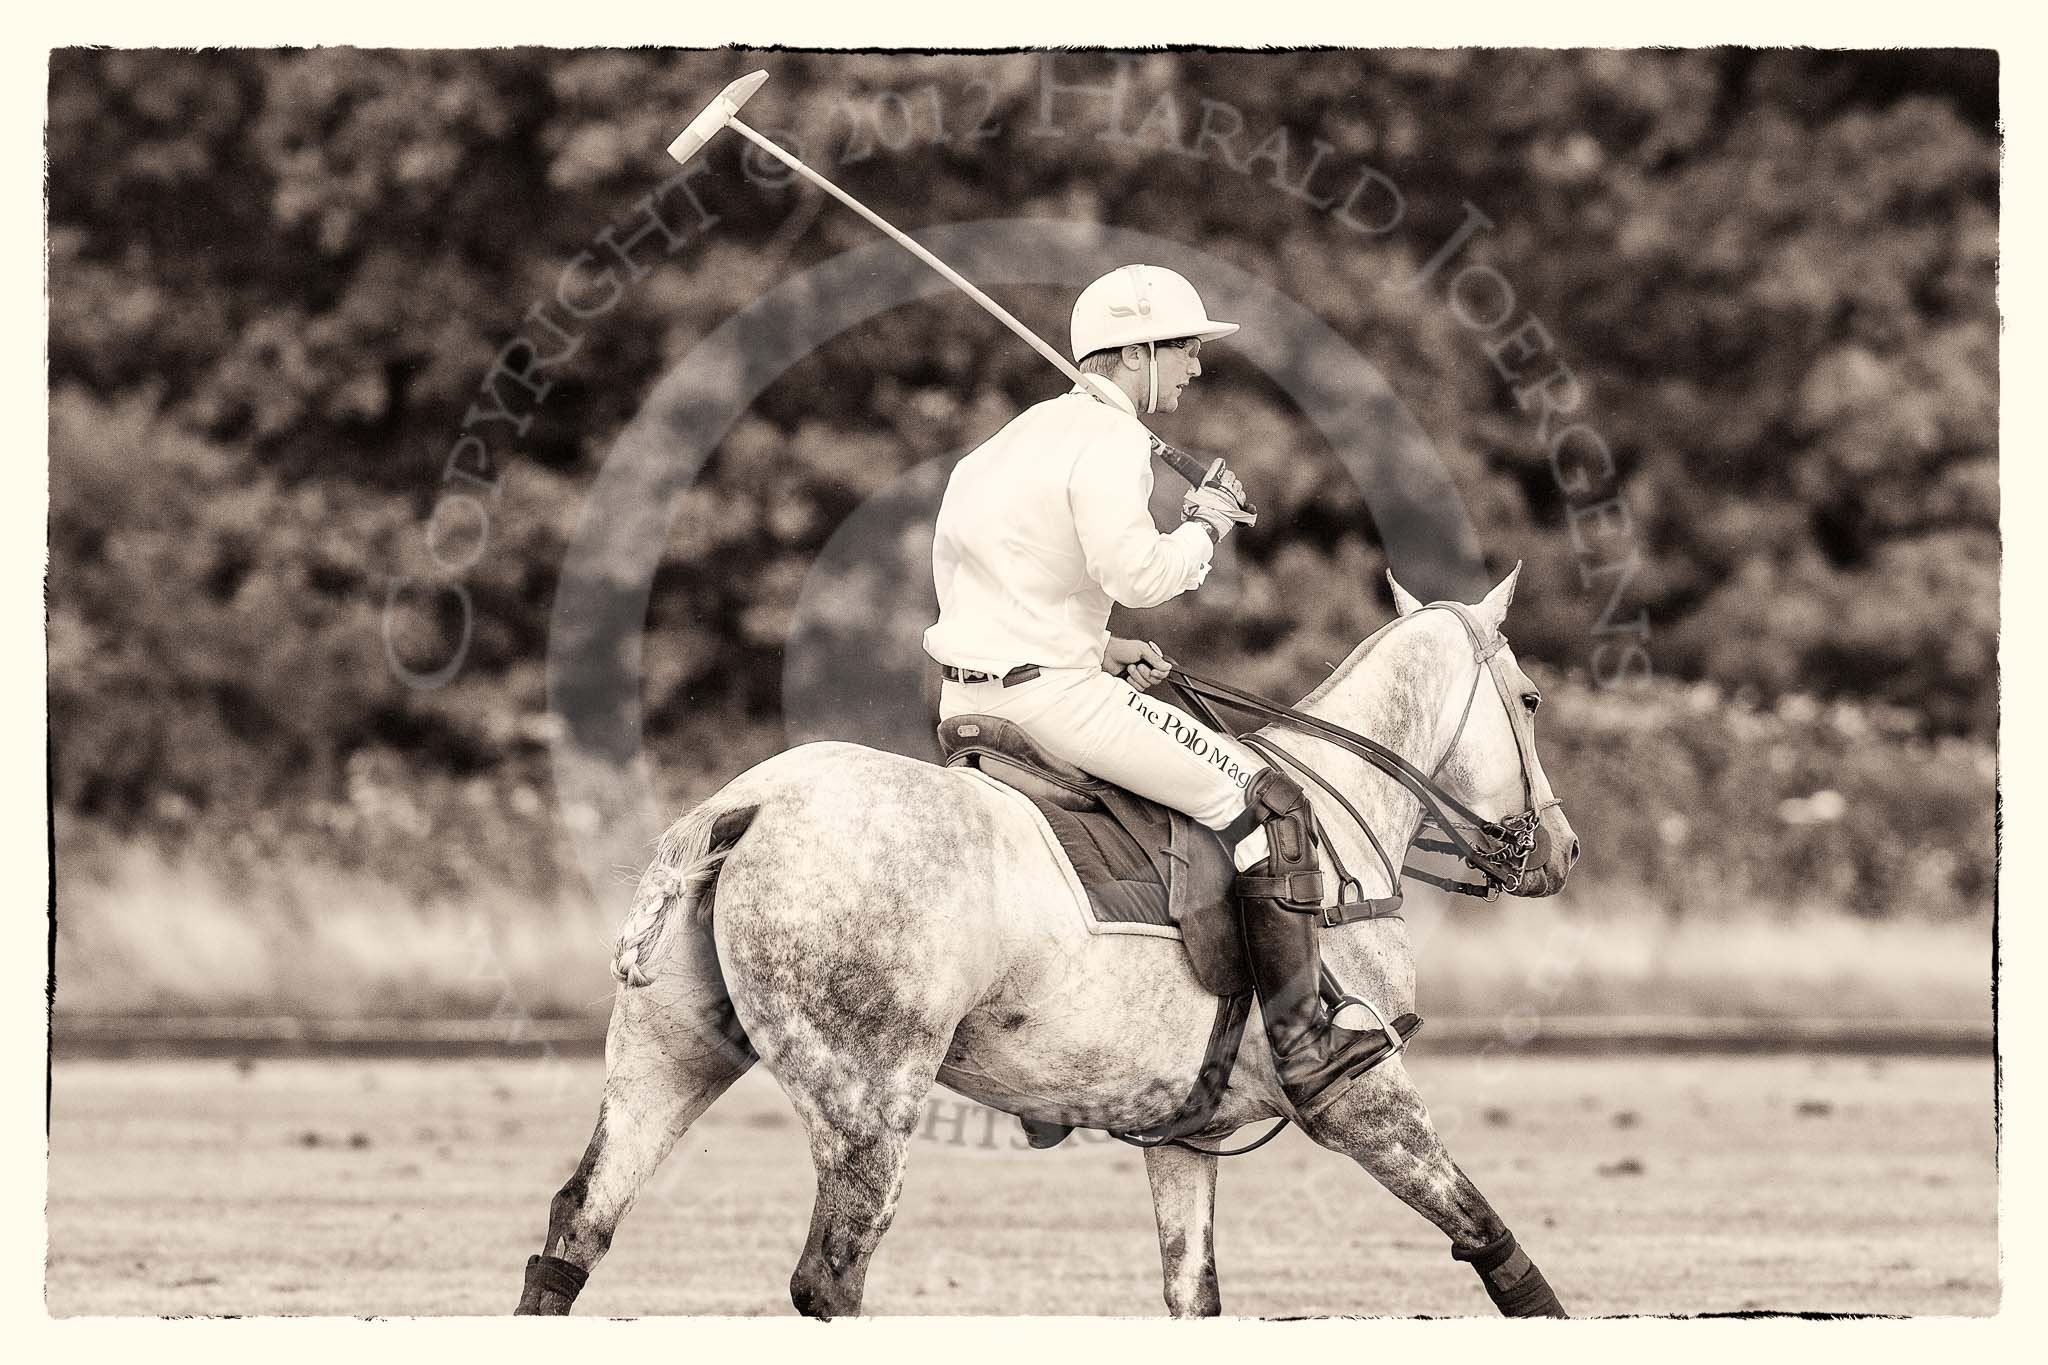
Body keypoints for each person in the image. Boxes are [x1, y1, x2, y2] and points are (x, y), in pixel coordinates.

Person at [923, 263, 1392, 1116]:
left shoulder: (998, 447)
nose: (1195, 367)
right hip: (1054, 704)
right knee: (1271, 798)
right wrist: (1204, 528)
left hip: (969, 705)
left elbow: (992, 589)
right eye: (1183, 348)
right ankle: (1304, 1044)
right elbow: (1137, 572)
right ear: (1135, 352)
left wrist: (1099, 647)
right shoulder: (1106, 443)